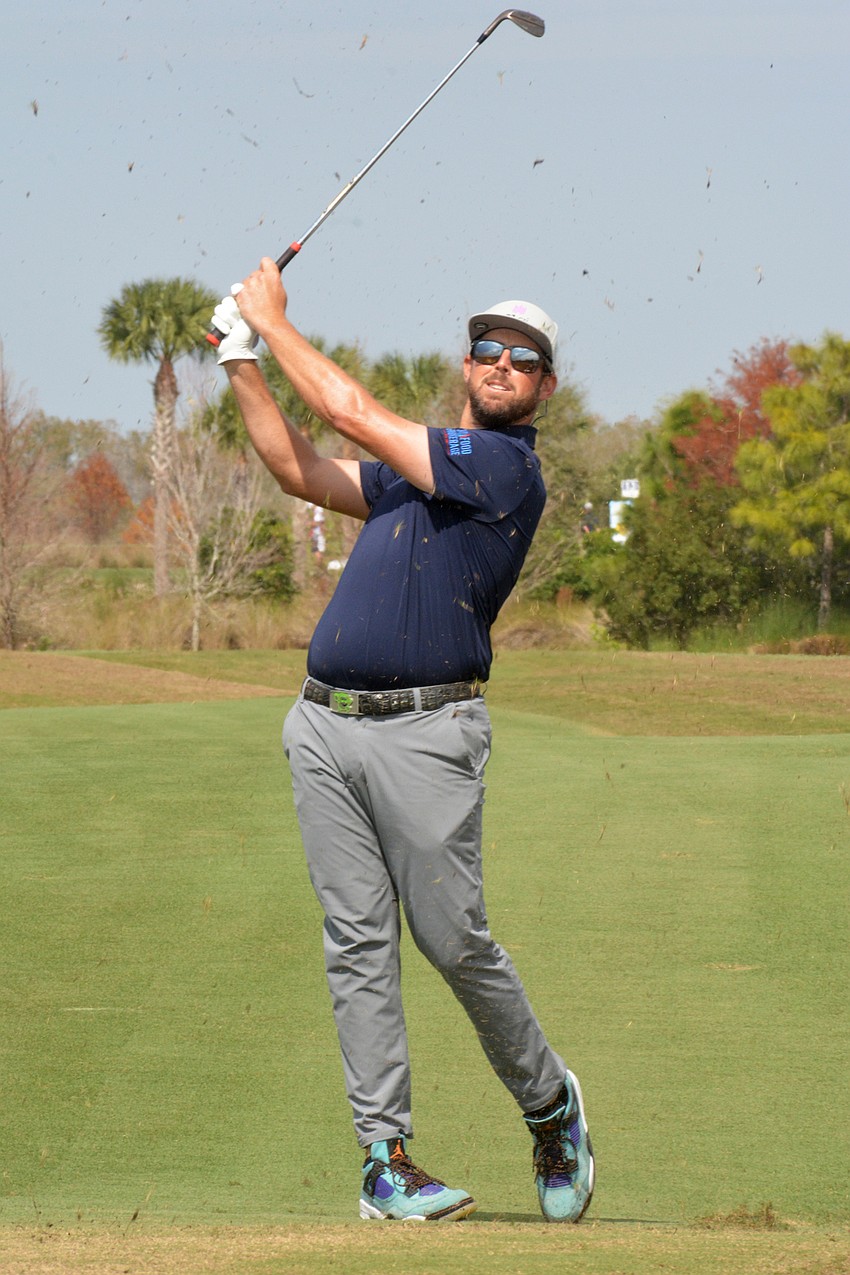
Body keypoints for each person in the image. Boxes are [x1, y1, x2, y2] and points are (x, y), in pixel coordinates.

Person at [210, 260, 595, 1224]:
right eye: (487, 349)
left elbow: (349, 412)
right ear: (465, 364)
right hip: (322, 726)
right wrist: (239, 359)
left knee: (451, 936)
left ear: (544, 386)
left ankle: (549, 1105)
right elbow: (299, 467)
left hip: (428, 731)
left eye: (525, 358)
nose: (502, 363)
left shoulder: (504, 469)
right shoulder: (415, 474)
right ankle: (386, 1161)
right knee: (356, 941)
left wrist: (274, 319)